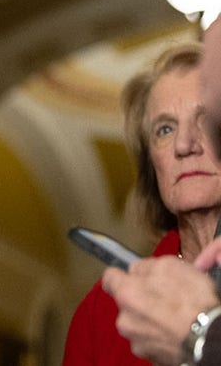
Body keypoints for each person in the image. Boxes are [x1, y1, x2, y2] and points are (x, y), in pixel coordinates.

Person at [63, 42, 221, 364]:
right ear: (152, 164)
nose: (183, 144)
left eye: (205, 120)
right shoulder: (105, 307)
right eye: (165, 129)